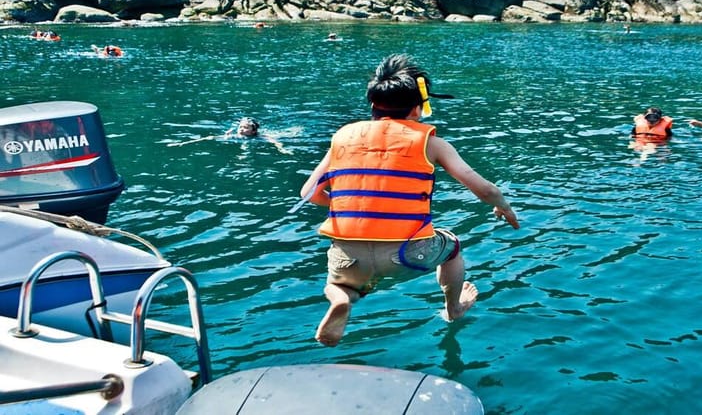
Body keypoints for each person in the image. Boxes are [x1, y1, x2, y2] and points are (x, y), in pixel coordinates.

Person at [295, 54, 519, 347]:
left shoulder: (343, 136)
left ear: (373, 105)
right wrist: (505, 207)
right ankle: (454, 310)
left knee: (343, 284)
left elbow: (308, 193)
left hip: (348, 255)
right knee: (452, 247)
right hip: (407, 252)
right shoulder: (431, 142)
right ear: (417, 107)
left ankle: (340, 298)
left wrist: (349, 206)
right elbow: (485, 189)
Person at [167, 116, 291, 154]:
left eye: (245, 128)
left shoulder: (260, 137)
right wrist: (182, 143)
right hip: (242, 141)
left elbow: (274, 141)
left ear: (253, 131)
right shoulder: (234, 136)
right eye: (240, 127)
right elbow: (209, 138)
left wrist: (282, 149)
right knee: (244, 144)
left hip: (258, 139)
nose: (241, 130)